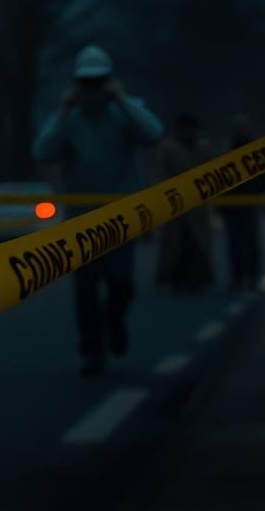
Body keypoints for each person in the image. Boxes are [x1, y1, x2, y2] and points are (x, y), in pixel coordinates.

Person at [33, 44, 164, 376]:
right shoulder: (69, 119)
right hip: (82, 220)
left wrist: (121, 99)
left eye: (98, 81)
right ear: (77, 84)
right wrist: (64, 111)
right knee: (86, 290)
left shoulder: (125, 112)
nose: (92, 89)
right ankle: (92, 348)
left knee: (121, 284)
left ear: (108, 81)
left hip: (120, 218)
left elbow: (154, 133)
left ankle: (114, 319)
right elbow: (42, 151)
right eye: (86, 82)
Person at [154, 114, 215, 292]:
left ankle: (198, 278)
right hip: (174, 203)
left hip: (197, 205)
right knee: (175, 244)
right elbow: (161, 173)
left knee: (197, 244)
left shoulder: (204, 148)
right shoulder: (168, 148)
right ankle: (174, 278)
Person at [222, 114, 265, 291]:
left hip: (249, 204)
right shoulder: (228, 150)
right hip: (233, 205)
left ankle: (251, 277)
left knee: (250, 242)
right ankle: (238, 277)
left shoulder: (255, 150)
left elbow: (264, 177)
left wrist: (258, 196)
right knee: (235, 243)